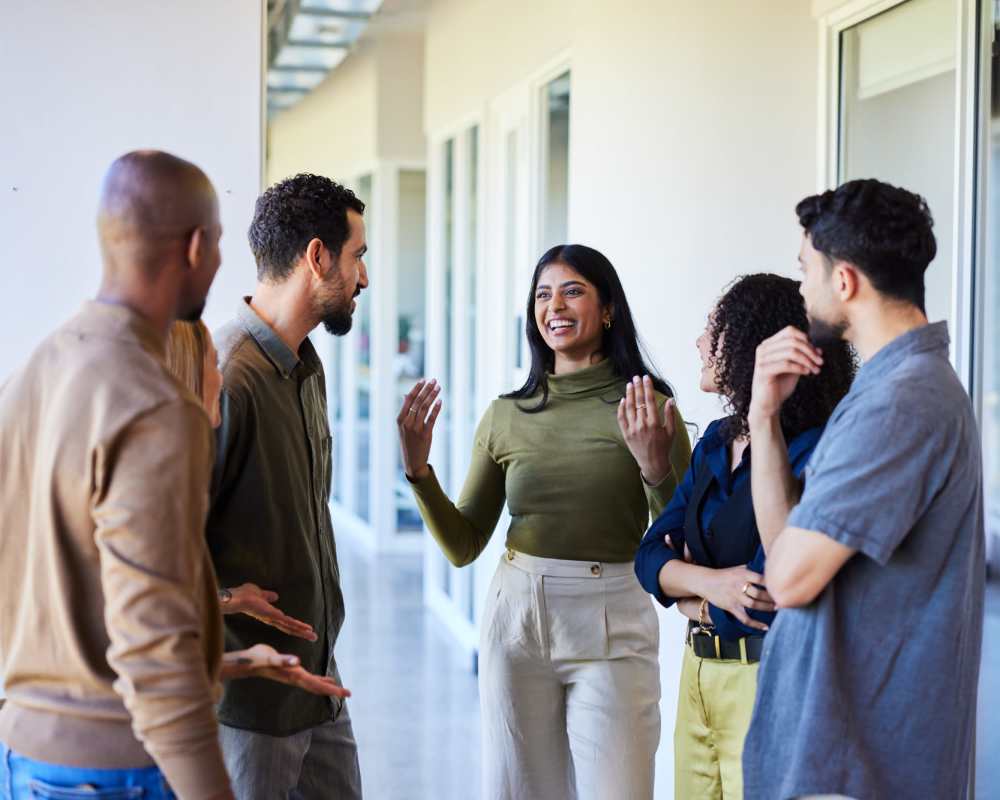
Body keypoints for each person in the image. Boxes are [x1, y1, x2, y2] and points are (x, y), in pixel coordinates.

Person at [398, 244, 692, 800]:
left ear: (608, 309)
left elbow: (681, 542)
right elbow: (464, 544)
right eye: (542, 293)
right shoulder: (507, 414)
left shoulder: (649, 405)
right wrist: (419, 472)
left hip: (613, 615)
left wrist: (654, 468)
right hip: (516, 618)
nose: (554, 305)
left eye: (572, 290)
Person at [742, 179, 985, 800]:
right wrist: (763, 417)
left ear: (844, 281)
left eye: (806, 270)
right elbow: (785, 546)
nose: (801, 289)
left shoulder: (901, 404)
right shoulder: (889, 389)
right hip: (841, 757)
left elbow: (789, 579)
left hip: (857, 769)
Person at [0, 151, 233, 799]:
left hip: (22, 758)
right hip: (114, 771)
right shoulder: (154, 404)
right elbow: (154, 651)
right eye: (217, 244)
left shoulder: (32, 374)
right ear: (196, 247)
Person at [634, 274, 855, 799]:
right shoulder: (715, 440)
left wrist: (686, 584)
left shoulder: (812, 451)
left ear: (752, 345)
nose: (699, 343)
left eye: (714, 328)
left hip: (763, 679)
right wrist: (709, 591)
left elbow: (766, 592)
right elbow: (646, 557)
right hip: (698, 673)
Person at [206, 174, 368, 798]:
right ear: (317, 257)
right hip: (250, 708)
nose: (364, 279)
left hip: (319, 683)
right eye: (357, 257)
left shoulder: (305, 367)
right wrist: (222, 598)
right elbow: (155, 544)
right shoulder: (226, 376)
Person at [165, 320, 355, 668]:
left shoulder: (308, 368)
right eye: (211, 362)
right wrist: (229, 600)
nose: (221, 377)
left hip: (306, 673)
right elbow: (149, 597)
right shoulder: (238, 376)